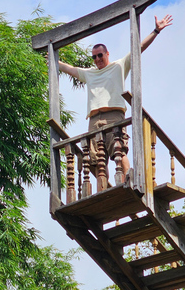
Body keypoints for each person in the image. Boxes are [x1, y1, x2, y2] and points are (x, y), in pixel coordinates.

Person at [58, 14, 173, 178]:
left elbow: (138, 49)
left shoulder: (118, 66)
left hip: (114, 115)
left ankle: (127, 179)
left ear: (107, 54)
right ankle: (103, 188)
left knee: (118, 151)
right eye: (94, 57)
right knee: (96, 158)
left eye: (100, 55)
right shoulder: (89, 73)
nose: (97, 59)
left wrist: (156, 30)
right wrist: (54, 61)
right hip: (94, 119)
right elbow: (70, 69)